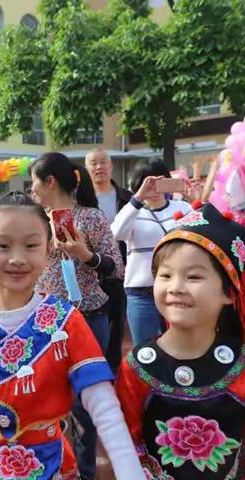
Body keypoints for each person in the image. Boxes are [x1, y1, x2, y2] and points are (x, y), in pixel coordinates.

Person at [0, 192, 144, 480]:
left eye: (31, 245)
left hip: (50, 465)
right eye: (2, 245)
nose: (17, 258)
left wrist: (130, 472)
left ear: (48, 246)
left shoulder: (67, 321)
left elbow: (102, 403)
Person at [116, 202, 245, 479]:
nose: (175, 287)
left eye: (194, 276)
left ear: (229, 293)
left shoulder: (241, 363)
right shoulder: (137, 367)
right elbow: (127, 447)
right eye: (165, 275)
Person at [30, 151, 124, 480]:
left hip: (88, 317)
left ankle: (84, 472)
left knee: (87, 401)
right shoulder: (33, 220)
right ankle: (53, 469)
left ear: (50, 182)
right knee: (45, 396)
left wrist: (86, 255)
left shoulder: (92, 217)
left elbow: (117, 269)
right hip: (43, 319)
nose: (32, 190)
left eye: (34, 183)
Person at [111, 160, 191, 345]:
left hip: (177, 288)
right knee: (145, 349)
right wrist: (138, 198)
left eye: (159, 181)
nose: (154, 188)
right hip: (141, 292)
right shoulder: (132, 211)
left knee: (180, 345)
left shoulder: (183, 208)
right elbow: (117, 233)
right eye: (148, 182)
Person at [85, 148, 132, 372]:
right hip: (88, 272)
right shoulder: (81, 201)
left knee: (117, 326)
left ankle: (113, 371)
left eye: (103, 162)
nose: (98, 167)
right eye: (93, 163)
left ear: (111, 166)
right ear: (87, 169)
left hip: (119, 269)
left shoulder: (126, 198)